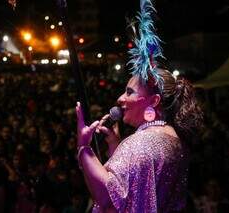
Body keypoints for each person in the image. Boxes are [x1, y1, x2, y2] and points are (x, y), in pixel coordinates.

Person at [75, 0, 203, 212]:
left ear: (154, 101)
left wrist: (84, 148)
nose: (120, 99)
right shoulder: (174, 140)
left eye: (129, 92)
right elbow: (140, 186)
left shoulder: (140, 143)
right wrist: (116, 147)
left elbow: (108, 197)